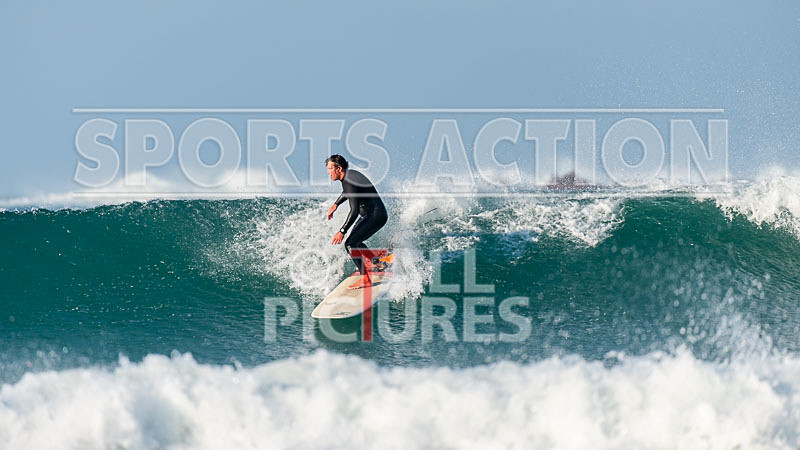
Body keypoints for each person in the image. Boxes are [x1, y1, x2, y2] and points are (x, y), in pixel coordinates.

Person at [325, 154, 388, 289]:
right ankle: (378, 264)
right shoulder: (349, 176)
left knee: (350, 244)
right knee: (356, 241)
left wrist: (342, 231)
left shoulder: (349, 181)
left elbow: (353, 211)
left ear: (339, 168)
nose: (328, 172)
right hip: (374, 214)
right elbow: (347, 192)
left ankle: (365, 278)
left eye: (330, 169)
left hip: (375, 216)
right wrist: (336, 204)